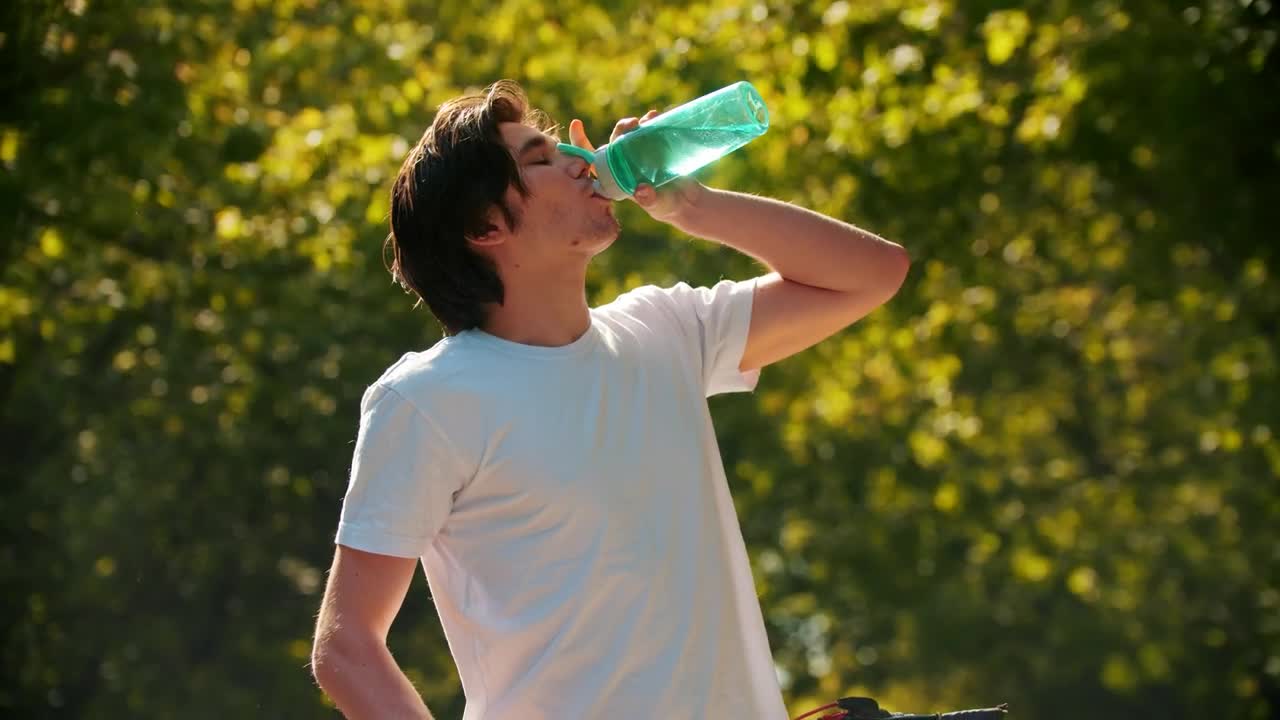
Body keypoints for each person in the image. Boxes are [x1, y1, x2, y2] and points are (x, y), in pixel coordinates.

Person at [309, 79, 910, 720]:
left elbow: (874, 273)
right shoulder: (427, 401)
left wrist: (693, 206)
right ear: (485, 226)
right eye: (539, 159)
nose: (580, 160)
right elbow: (346, 646)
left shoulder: (668, 330)